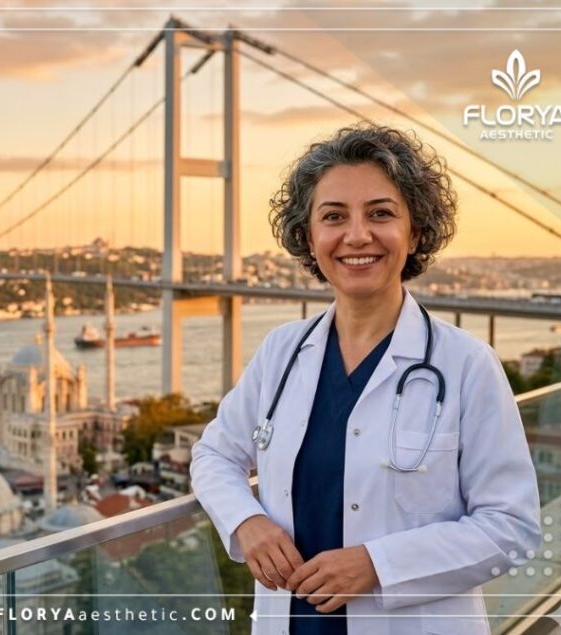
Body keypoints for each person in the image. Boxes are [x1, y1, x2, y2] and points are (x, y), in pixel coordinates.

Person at [190, 124, 540, 635]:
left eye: (381, 213)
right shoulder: (280, 353)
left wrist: (378, 564)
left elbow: (511, 528)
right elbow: (214, 454)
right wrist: (247, 522)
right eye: (333, 217)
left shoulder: (466, 365)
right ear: (309, 238)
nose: (357, 236)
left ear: (415, 232)